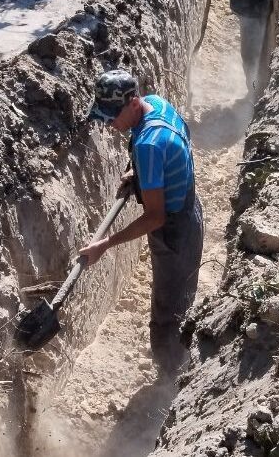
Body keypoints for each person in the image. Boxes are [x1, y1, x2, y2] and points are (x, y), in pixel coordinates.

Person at [82, 69, 204, 376]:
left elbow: (155, 216)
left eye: (113, 115)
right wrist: (140, 175)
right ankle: (182, 362)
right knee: (182, 297)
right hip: (190, 212)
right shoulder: (157, 105)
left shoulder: (148, 146)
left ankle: (172, 380)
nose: (110, 124)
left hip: (174, 232)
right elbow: (177, 143)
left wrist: (105, 244)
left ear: (134, 103)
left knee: (168, 313)